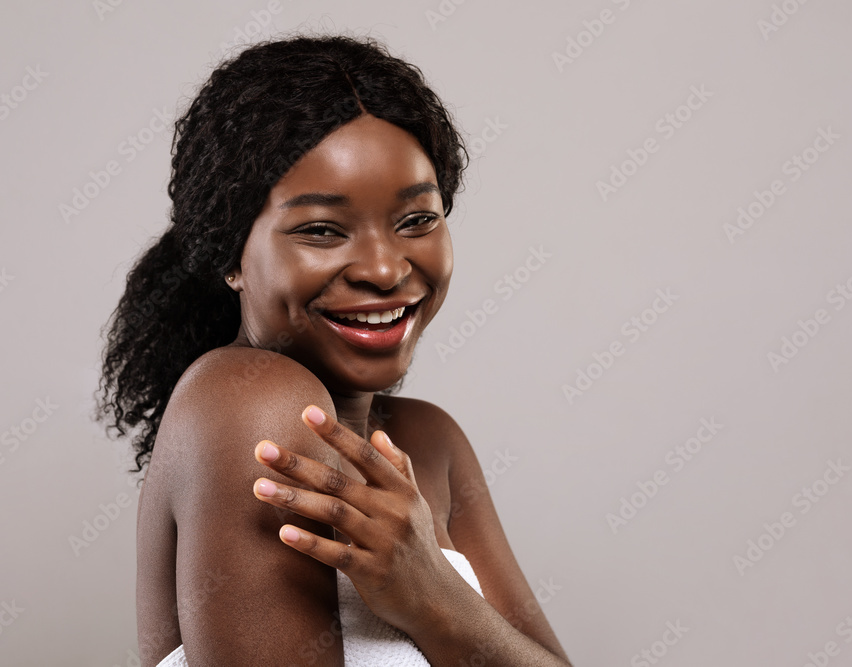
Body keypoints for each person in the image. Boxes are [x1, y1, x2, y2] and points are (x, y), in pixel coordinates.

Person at [96, 33, 572, 666]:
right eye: (321, 230)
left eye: (417, 220)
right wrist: (432, 602)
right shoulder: (250, 405)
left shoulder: (431, 442)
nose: (384, 269)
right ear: (230, 258)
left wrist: (433, 595)